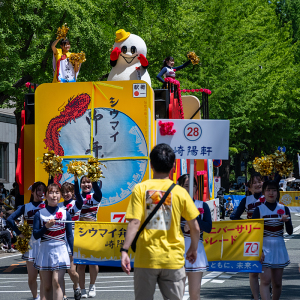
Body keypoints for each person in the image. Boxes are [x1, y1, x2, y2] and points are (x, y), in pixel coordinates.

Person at [121, 143, 200, 300]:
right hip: (173, 258)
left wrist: (125, 250)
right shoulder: (180, 192)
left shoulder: (140, 188)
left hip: (146, 257)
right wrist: (193, 248)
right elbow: (195, 227)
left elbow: (134, 222)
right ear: (173, 165)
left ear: (151, 164)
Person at [252, 180, 293, 300]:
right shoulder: (258, 210)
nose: (271, 193)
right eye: (268, 190)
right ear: (263, 192)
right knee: (265, 281)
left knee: (277, 283)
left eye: (274, 190)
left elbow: (290, 231)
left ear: (277, 192)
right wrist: (259, 250)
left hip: (279, 246)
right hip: (264, 247)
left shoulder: (284, 208)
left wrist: (287, 221)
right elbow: (253, 233)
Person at [7, 181, 47, 300]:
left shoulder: (47, 206)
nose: (41, 193)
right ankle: (36, 296)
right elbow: (10, 219)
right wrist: (19, 234)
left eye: (43, 190)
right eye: (38, 190)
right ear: (33, 191)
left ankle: (43, 297)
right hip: (31, 244)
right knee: (32, 276)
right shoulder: (25, 207)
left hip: (44, 242)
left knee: (44, 275)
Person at [33, 183, 73, 300]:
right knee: (47, 286)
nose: (54, 195)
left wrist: (74, 253)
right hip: (45, 249)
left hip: (61, 249)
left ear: (60, 195)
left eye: (57, 192)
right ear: (45, 195)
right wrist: (46, 226)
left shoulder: (66, 213)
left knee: (57, 281)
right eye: (51, 192)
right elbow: (36, 235)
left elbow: (69, 235)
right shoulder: (39, 214)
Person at [178, 174, 212, 300]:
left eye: (192, 185)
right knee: (177, 292)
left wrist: (194, 221)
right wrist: (182, 228)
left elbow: (208, 227)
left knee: (195, 293)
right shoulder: (174, 205)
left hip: (197, 249)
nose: (189, 189)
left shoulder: (202, 205)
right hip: (177, 248)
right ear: (180, 187)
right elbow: (167, 227)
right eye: (186, 186)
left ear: (196, 188)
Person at [75, 176, 102, 298]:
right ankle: (83, 289)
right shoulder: (77, 197)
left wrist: (94, 174)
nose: (86, 184)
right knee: (81, 264)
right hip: (80, 232)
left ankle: (92, 285)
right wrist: (75, 180)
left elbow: (97, 189)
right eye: (83, 182)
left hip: (93, 232)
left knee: (93, 262)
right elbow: (75, 191)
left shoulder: (96, 196)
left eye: (88, 182)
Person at [58, 180, 82, 300]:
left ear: (73, 192)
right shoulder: (58, 206)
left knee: (72, 271)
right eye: (64, 192)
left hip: (73, 237)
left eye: (68, 191)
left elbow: (80, 198)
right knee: (60, 271)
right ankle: (63, 295)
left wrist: (76, 180)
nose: (66, 194)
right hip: (60, 237)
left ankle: (76, 286)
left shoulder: (76, 203)